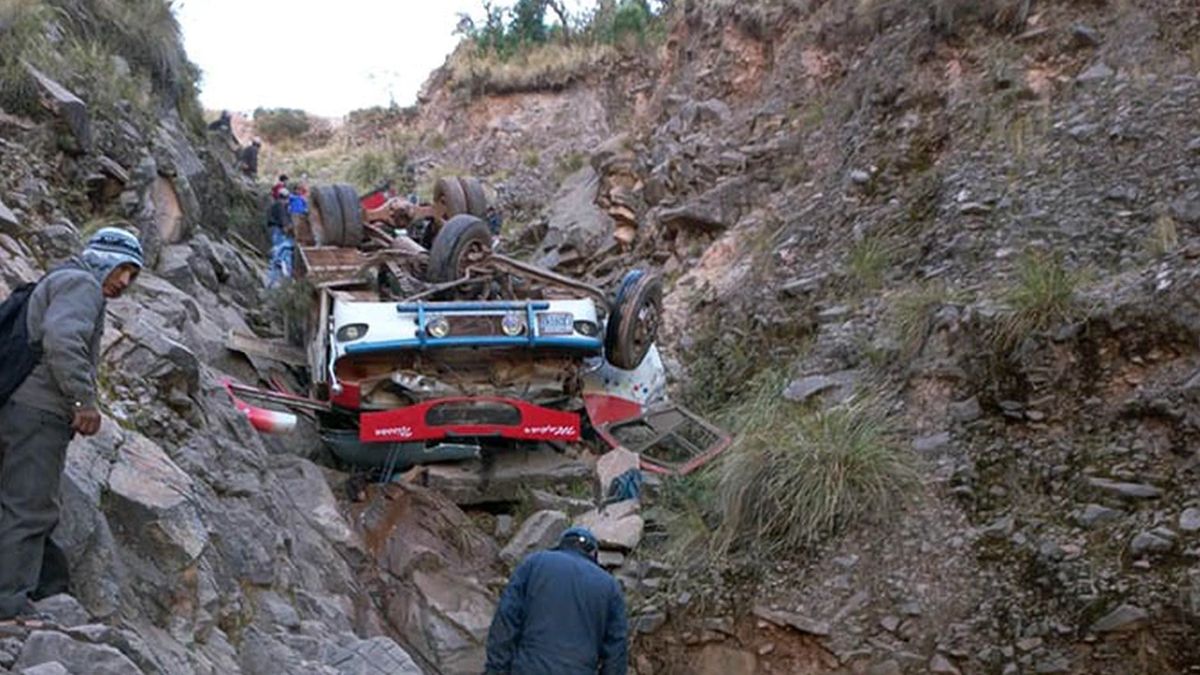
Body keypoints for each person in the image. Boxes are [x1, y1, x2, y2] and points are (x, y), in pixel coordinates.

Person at [0, 227, 143, 621]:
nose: (124, 281)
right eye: (122, 269)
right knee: (29, 509)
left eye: (132, 276)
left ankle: (43, 588)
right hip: (38, 413)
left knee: (16, 503)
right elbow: (63, 340)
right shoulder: (83, 285)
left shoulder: (59, 277)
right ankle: (8, 606)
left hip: (15, 405)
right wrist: (83, 401)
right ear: (102, 258)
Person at [485, 527, 628, 675]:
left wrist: (496, 669)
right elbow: (616, 647)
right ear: (593, 553)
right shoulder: (610, 586)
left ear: (562, 544)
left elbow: (506, 617)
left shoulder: (533, 563)